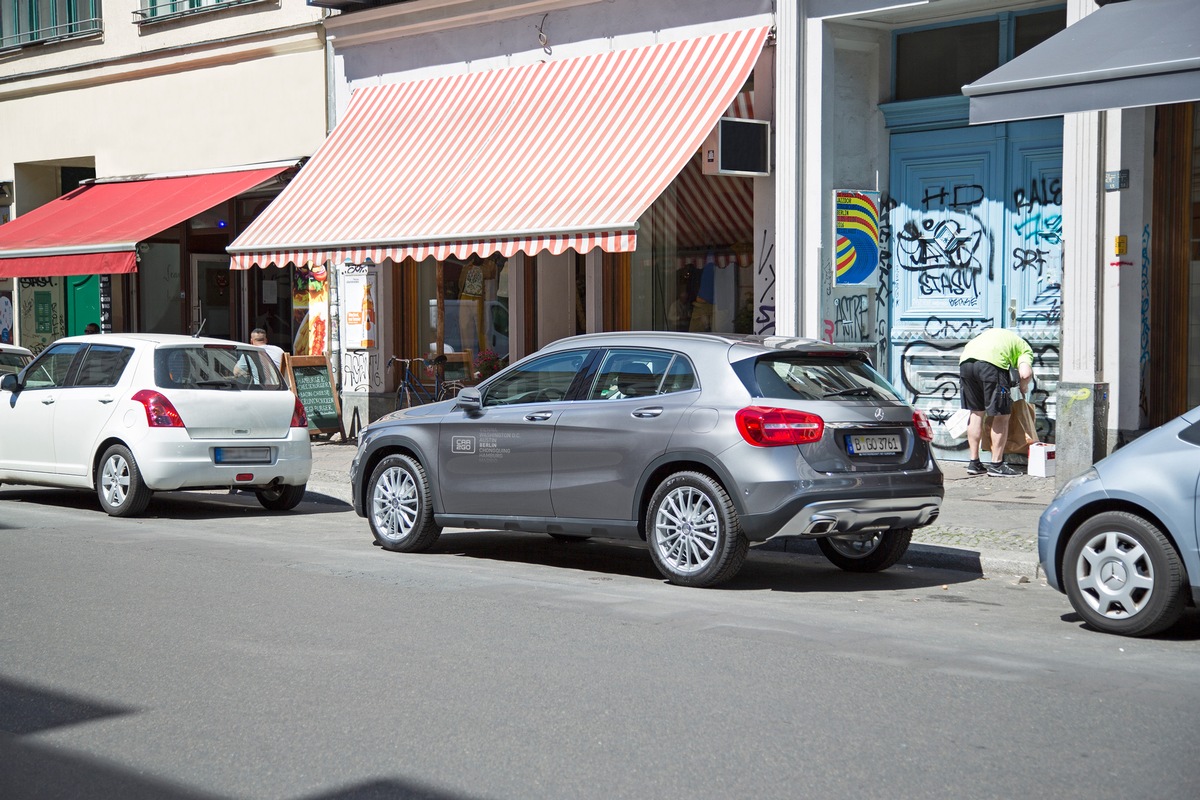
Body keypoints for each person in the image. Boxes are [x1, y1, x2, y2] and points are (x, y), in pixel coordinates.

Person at [959, 327, 1034, 477]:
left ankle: (974, 463)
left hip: (966, 364)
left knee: (976, 413)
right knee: (1001, 416)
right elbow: (1025, 373)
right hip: (992, 366)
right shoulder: (1024, 348)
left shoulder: (988, 336)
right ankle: (996, 465)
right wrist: (1024, 387)